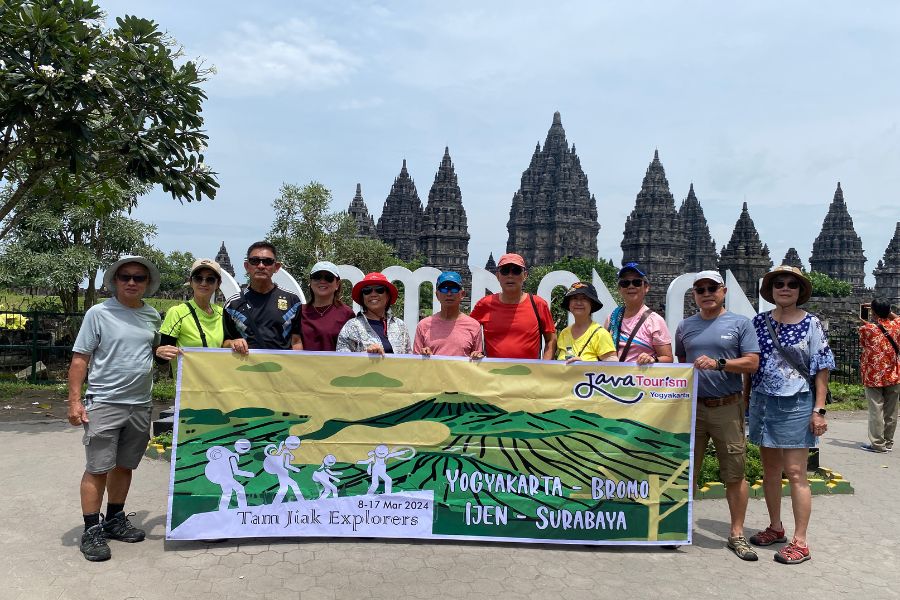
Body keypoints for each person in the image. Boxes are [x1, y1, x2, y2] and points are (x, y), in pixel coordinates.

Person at [67, 255, 162, 562]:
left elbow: (155, 353)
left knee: (124, 465)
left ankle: (115, 519)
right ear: (115, 281)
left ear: (147, 284)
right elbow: (81, 357)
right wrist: (74, 400)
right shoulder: (99, 313)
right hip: (105, 402)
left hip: (140, 403)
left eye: (139, 278)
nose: (132, 282)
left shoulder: (152, 316)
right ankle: (91, 530)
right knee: (97, 467)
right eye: (126, 277)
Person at [746, 265, 835, 565]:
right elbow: (751, 365)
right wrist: (746, 404)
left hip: (796, 402)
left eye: (791, 285)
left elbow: (821, 369)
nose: (785, 288)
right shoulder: (758, 322)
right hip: (762, 401)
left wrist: (819, 411)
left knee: (796, 473)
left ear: (799, 291)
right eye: (779, 284)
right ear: (770, 290)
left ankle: (801, 541)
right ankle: (775, 527)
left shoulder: (812, 324)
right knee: (769, 470)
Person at [675, 270, 760, 561]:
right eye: (700, 289)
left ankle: (736, 534)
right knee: (687, 472)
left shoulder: (740, 324)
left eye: (712, 288)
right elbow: (677, 365)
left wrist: (719, 363)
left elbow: (752, 363)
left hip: (727, 406)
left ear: (723, 291)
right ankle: (677, 528)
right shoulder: (685, 326)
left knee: (734, 473)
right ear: (694, 295)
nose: (706, 293)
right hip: (692, 407)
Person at [470, 253, 556, 359]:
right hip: (493, 373)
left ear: (525, 275)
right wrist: (476, 351)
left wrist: (545, 367)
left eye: (516, 271)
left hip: (529, 373)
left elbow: (551, 339)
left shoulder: (538, 304)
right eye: (505, 271)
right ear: (497, 276)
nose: (510, 275)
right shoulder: (485, 304)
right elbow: (467, 333)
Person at [222, 241, 303, 353]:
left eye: (267, 262)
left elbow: (296, 341)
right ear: (246, 266)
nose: (261, 266)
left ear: (277, 267)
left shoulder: (293, 301)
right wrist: (232, 343)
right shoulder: (233, 304)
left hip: (281, 368)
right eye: (254, 261)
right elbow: (224, 342)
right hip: (246, 368)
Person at [155, 258, 225, 374]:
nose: (203, 283)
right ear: (191, 281)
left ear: (218, 284)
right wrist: (160, 352)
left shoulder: (223, 314)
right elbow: (163, 357)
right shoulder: (177, 313)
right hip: (189, 386)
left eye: (210, 279)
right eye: (198, 278)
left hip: (217, 383)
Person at [605, 262, 673, 364]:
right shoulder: (612, 318)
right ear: (619, 289)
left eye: (636, 282)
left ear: (646, 287)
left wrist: (652, 359)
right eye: (625, 283)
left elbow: (668, 358)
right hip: (613, 378)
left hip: (641, 378)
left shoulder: (654, 321)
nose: (631, 286)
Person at [858, 297, 900, 453]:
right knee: (891, 411)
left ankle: (877, 444)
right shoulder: (897, 326)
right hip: (893, 374)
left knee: (876, 409)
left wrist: (867, 317)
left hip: (873, 375)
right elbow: (897, 319)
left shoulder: (866, 329)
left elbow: (863, 344)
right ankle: (888, 442)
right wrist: (888, 312)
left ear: (873, 312)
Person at [336, 272, 411, 354]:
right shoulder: (352, 326)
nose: (373, 294)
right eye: (367, 290)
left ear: (388, 296)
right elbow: (343, 360)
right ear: (362, 297)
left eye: (379, 290)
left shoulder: (400, 325)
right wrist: (365, 354)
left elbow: (409, 358)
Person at [414, 271, 484, 359]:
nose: (449, 294)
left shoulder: (473, 326)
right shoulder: (423, 325)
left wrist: (477, 356)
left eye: (454, 289)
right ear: (437, 295)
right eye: (444, 289)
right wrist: (423, 354)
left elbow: (478, 362)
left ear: (462, 294)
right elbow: (415, 363)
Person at [300, 261, 354, 351]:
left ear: (337, 284)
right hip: (303, 365)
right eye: (317, 277)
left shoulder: (347, 314)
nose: (322, 281)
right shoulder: (299, 311)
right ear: (310, 282)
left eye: (328, 278)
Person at [556, 282, 616, 362]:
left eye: (584, 298)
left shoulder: (600, 333)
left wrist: (584, 367)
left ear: (592, 304)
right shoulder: (564, 333)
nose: (578, 303)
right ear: (569, 304)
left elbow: (613, 367)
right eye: (574, 298)